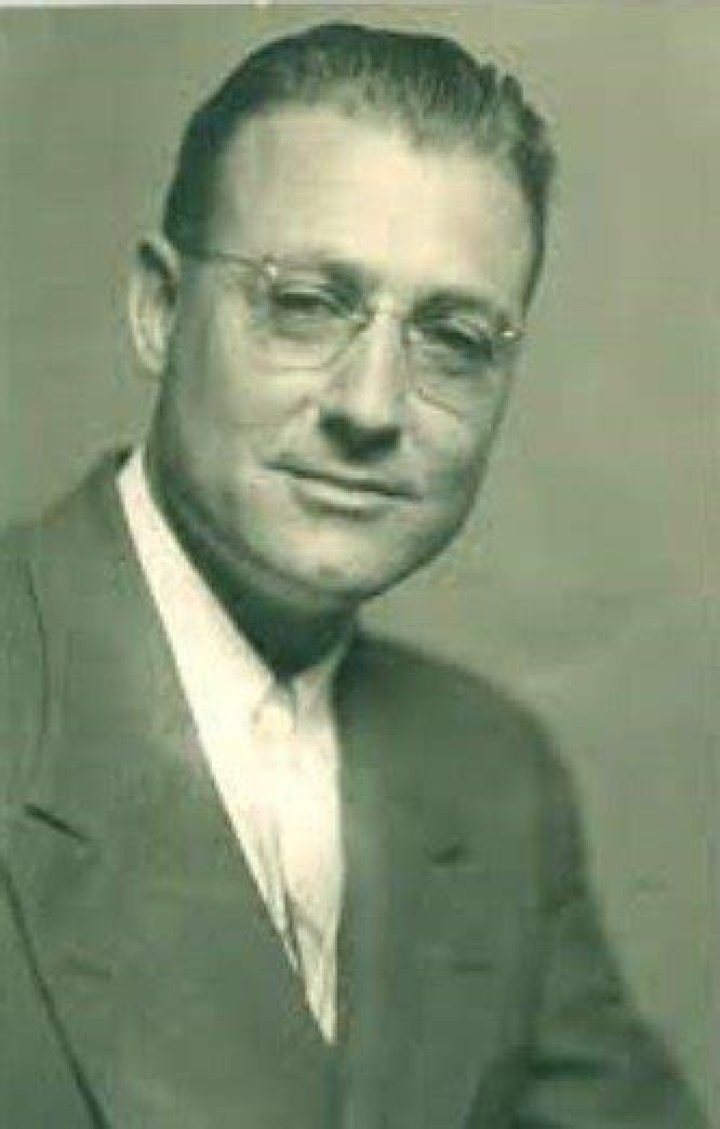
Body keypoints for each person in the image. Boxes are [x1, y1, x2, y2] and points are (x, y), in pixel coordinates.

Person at [0, 20, 706, 1129]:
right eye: (305, 304)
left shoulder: (487, 773)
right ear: (158, 309)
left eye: (452, 338)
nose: (371, 407)